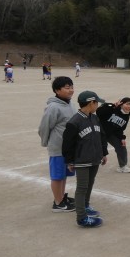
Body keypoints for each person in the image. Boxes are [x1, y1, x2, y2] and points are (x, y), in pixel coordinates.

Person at [62, 90, 108, 228]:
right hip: (82, 160)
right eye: (96, 103)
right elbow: (67, 144)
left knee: (90, 183)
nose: (97, 105)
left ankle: (85, 205)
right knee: (82, 187)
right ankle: (81, 218)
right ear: (91, 103)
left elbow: (102, 136)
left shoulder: (94, 118)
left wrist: (104, 153)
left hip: (95, 158)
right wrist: (69, 161)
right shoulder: (74, 122)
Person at [38, 76, 77, 213]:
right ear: (57, 90)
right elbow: (44, 127)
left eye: (72, 87)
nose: (71, 90)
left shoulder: (70, 104)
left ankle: (61, 197)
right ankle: (58, 203)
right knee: (57, 176)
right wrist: (47, 144)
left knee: (64, 175)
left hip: (68, 149)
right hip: (58, 148)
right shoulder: (53, 107)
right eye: (67, 87)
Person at [97, 97, 130, 173]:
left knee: (121, 145)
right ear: (121, 104)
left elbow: (120, 129)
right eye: (127, 104)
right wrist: (113, 106)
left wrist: (122, 138)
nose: (129, 106)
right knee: (95, 149)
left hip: (110, 134)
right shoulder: (112, 108)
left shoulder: (126, 117)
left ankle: (122, 166)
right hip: (98, 131)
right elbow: (99, 112)